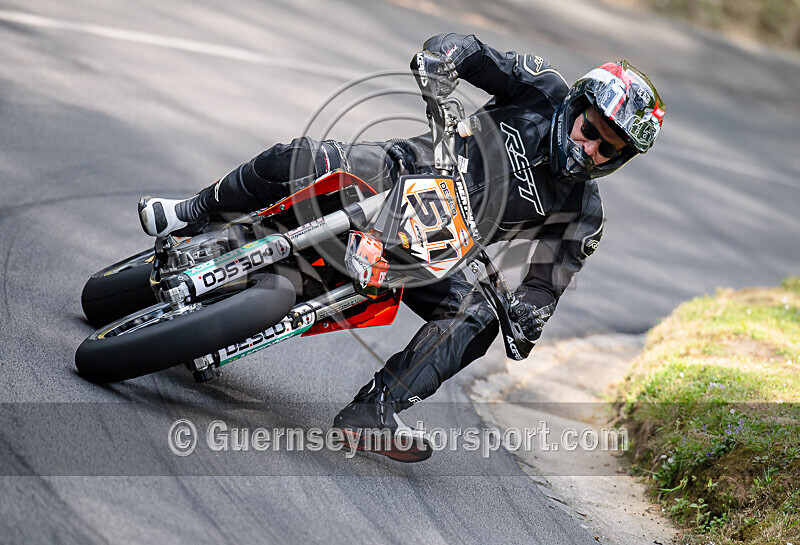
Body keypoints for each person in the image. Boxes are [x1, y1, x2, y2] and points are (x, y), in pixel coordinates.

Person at [138, 33, 665, 462]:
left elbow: (547, 281)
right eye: (589, 129)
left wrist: (528, 315)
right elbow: (473, 51)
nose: (589, 148)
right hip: (401, 169)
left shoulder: (583, 211)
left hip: (440, 251)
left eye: (606, 148)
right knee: (300, 157)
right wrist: (445, 58)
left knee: (477, 315)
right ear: (576, 104)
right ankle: (192, 212)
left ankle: (376, 408)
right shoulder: (539, 88)